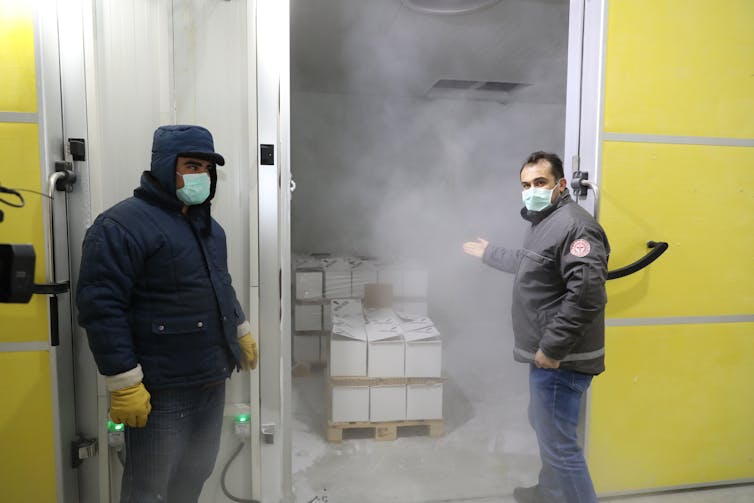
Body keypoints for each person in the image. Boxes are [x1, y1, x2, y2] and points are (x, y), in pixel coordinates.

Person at [76, 125, 258, 503]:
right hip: (162, 390)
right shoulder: (120, 226)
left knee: (194, 477)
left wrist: (239, 327)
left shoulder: (210, 228)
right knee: (149, 489)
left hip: (211, 378)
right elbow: (101, 307)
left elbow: (218, 285)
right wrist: (123, 381)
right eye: (192, 165)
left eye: (207, 168)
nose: (202, 176)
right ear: (163, 166)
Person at [463, 151, 609, 503]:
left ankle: (562, 491)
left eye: (540, 183)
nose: (532, 191)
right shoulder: (545, 222)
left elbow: (587, 296)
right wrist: (490, 253)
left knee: (560, 446)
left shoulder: (576, 226)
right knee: (545, 427)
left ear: (560, 185)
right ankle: (552, 492)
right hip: (549, 353)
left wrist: (552, 349)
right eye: (526, 185)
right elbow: (530, 264)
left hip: (561, 359)